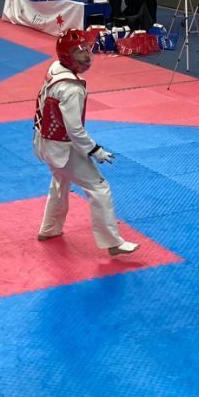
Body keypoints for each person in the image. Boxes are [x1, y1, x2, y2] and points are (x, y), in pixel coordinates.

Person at [33, 29, 140, 256]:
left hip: (45, 142)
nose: (86, 56)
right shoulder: (71, 88)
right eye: (78, 52)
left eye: (86, 50)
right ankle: (113, 242)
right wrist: (95, 150)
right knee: (99, 188)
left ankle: (49, 228)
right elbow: (74, 130)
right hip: (62, 147)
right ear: (66, 55)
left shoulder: (55, 69)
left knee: (60, 182)